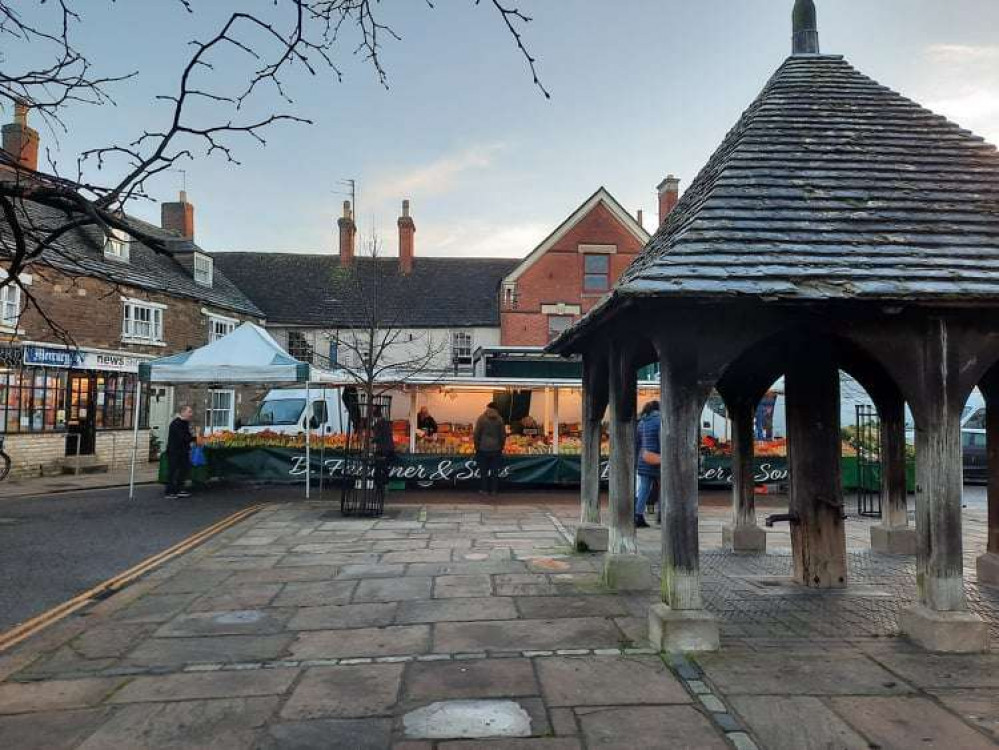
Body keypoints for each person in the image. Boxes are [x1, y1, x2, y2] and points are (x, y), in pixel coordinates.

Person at [634, 400, 661, 528]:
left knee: (644, 488)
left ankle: (638, 515)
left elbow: (637, 443)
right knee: (663, 488)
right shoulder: (660, 421)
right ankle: (662, 515)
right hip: (659, 459)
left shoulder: (641, 422)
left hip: (643, 458)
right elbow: (663, 440)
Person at [473, 401, 506, 495]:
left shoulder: (481, 418)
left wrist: (477, 446)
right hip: (496, 449)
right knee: (495, 471)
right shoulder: (500, 419)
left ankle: (484, 489)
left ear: (488, 407)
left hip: (483, 448)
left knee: (483, 471)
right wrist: (501, 446)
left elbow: (476, 434)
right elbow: (503, 435)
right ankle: (494, 490)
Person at [166, 405, 195, 499]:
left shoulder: (184, 423)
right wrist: (195, 438)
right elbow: (183, 437)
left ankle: (179, 489)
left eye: (191, 412)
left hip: (183, 451)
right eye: (189, 412)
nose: (191, 414)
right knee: (173, 471)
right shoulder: (176, 423)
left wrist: (194, 438)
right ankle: (170, 491)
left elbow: (187, 436)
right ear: (183, 412)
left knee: (183, 470)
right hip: (175, 451)